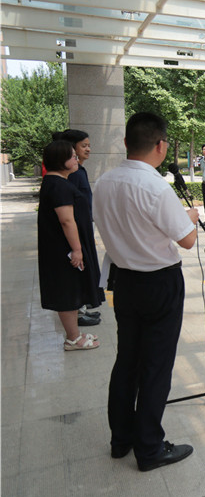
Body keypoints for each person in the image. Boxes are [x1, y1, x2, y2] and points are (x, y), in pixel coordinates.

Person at [94, 112, 198, 471]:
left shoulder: (104, 182)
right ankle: (150, 449)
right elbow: (187, 240)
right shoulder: (155, 187)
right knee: (156, 366)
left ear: (126, 143)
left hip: (124, 282)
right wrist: (190, 219)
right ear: (161, 145)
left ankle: (121, 439)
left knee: (127, 361)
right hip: (159, 283)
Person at [38, 139, 103, 350]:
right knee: (68, 291)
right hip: (64, 249)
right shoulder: (59, 185)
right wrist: (76, 249)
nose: (76, 159)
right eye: (73, 156)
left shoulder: (56, 182)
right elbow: (67, 220)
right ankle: (73, 339)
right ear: (61, 160)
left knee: (72, 288)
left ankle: (75, 333)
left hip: (61, 247)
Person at [57, 128, 102, 327]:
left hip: (84, 227)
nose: (88, 149)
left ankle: (82, 307)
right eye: (84, 146)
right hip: (77, 229)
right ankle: (78, 311)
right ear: (72, 148)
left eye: (89, 145)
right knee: (79, 269)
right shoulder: (73, 174)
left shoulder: (79, 171)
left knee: (86, 268)